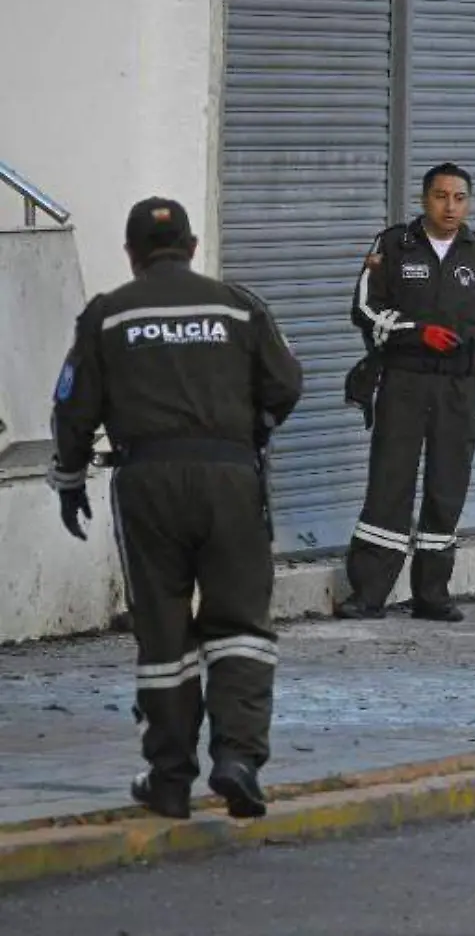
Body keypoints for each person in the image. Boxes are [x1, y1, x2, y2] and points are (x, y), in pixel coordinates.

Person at [46, 196, 305, 820]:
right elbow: (287, 382)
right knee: (241, 625)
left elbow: (72, 408)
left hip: (148, 484)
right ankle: (238, 759)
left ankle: (169, 779)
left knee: (163, 632)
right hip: (230, 479)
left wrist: (70, 479)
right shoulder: (237, 306)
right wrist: (251, 435)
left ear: (132, 255)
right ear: (192, 248)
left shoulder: (107, 317)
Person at [335, 162, 475, 623]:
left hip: (458, 389)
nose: (450, 206)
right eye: (441, 196)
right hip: (404, 381)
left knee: (447, 488)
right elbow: (363, 307)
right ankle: (368, 594)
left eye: (459, 197)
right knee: (389, 484)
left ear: (469, 202)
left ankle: (432, 593)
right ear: (424, 199)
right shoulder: (393, 246)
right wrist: (415, 332)